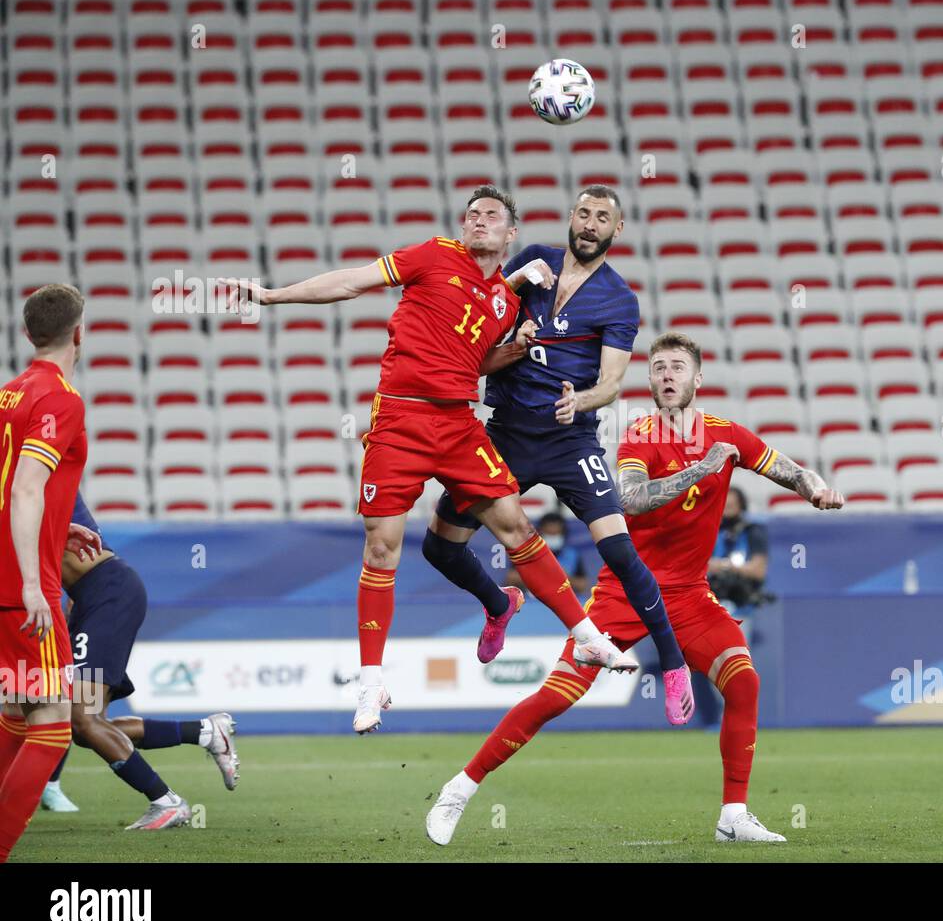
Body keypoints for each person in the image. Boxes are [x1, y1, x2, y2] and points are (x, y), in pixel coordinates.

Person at [219, 185, 637, 735]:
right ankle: (372, 684)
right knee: (382, 546)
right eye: (472, 214)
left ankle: (586, 638)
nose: (478, 220)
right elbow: (352, 280)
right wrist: (273, 296)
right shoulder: (433, 254)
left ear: (511, 234)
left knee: (514, 523)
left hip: (459, 423)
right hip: (399, 418)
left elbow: (477, 360)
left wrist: (511, 351)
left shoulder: (506, 302)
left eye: (492, 215)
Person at [425, 331, 845, 846]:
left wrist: (815, 487)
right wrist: (700, 469)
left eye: (677, 367)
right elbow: (630, 499)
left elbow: (788, 469)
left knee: (744, 681)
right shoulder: (640, 435)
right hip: (624, 593)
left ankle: (733, 815)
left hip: (690, 596)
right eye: (659, 368)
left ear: (697, 378)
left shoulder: (727, 432)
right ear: (648, 379)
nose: (667, 376)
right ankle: (460, 788)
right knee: (555, 699)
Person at [424, 185, 696, 725]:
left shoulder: (619, 299)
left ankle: (672, 662)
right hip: (504, 436)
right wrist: (514, 324)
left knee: (619, 551)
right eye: (584, 214)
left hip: (571, 440)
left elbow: (612, 382)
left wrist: (582, 399)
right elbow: (478, 322)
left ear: (616, 231)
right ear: (571, 218)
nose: (591, 224)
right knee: (439, 547)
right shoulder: (533, 264)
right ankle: (500, 604)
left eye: (603, 218)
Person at [39, 491, 239, 829]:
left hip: (107, 592)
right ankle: (204, 732)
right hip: (89, 599)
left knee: (81, 718)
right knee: (85, 727)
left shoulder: (37, 476)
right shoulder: (26, 479)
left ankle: (166, 801)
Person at [0, 284, 100, 862]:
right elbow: (26, 485)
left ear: (28, 333)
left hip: (10, 574)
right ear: (79, 333)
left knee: (16, 707)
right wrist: (35, 584)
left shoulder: (10, 394)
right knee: (54, 722)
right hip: (23, 584)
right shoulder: (61, 398)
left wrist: (60, 531)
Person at [707, 488, 770, 613]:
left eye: (730, 506)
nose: (725, 511)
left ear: (741, 506)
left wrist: (725, 566)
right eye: (722, 505)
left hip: (743, 605)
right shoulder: (709, 530)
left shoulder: (753, 531)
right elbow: (697, 566)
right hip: (711, 603)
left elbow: (758, 571)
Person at [506, 512, 589, 596]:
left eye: (555, 534)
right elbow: (511, 578)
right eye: (549, 533)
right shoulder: (527, 552)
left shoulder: (572, 555)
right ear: (540, 532)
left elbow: (582, 585)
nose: (552, 535)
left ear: (563, 533)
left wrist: (563, 577)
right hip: (531, 602)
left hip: (562, 600)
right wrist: (539, 575)